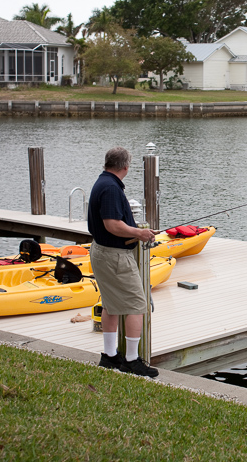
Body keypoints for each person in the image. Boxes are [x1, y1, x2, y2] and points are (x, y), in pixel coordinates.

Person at [88, 146, 160, 377]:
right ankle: (131, 360)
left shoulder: (102, 182)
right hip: (114, 256)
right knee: (137, 306)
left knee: (111, 304)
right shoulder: (110, 188)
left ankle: (109, 356)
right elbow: (112, 225)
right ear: (126, 167)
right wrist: (139, 233)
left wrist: (139, 232)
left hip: (101, 250)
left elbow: (111, 225)